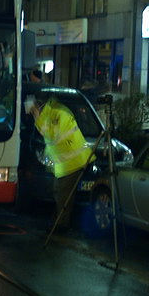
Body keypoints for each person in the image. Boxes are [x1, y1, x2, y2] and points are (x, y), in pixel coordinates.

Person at [25, 94, 94, 234]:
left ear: (39, 106)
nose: (33, 115)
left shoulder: (58, 113)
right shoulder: (52, 113)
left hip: (75, 161)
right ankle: (60, 221)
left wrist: (37, 116)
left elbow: (51, 135)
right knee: (59, 191)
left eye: (33, 111)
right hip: (68, 163)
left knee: (63, 194)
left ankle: (62, 225)